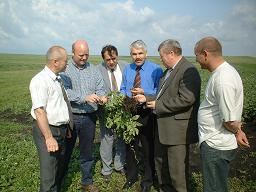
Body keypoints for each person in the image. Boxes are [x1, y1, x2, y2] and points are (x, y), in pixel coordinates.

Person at [135, 39, 201, 192]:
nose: (160, 59)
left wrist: (158, 105)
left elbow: (186, 99)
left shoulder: (188, 70)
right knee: (161, 164)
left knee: (177, 171)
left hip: (177, 132)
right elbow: (162, 96)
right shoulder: (168, 71)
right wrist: (147, 98)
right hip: (163, 129)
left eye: (162, 56)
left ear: (171, 53)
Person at [194, 36, 250, 192]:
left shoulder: (223, 79)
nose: (197, 60)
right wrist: (238, 131)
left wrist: (237, 130)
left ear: (205, 54)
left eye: (197, 55)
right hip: (216, 142)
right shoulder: (223, 72)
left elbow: (229, 121)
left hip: (215, 145)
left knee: (214, 187)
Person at [60, 40, 107, 192]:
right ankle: (58, 181)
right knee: (65, 151)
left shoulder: (93, 70)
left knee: (87, 151)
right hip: (70, 117)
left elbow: (101, 88)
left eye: (86, 54)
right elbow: (64, 92)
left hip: (89, 118)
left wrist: (102, 97)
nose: (84, 58)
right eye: (81, 55)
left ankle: (87, 182)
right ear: (72, 53)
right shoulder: (64, 70)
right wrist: (84, 97)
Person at [120, 40, 163, 192]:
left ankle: (147, 181)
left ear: (146, 53)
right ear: (131, 55)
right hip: (130, 112)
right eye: (134, 54)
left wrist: (144, 93)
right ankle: (131, 177)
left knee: (147, 148)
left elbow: (161, 93)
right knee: (129, 146)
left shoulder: (156, 70)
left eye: (140, 53)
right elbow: (123, 88)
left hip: (148, 112)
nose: (137, 57)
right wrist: (125, 97)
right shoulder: (128, 69)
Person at [29, 46, 70, 192]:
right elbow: (39, 111)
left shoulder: (57, 79)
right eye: (66, 61)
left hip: (61, 131)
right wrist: (48, 137)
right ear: (55, 61)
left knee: (58, 170)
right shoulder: (40, 81)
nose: (67, 63)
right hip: (48, 130)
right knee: (49, 176)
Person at [97, 45, 127, 182]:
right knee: (106, 139)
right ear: (103, 59)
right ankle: (106, 169)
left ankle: (119, 165)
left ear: (117, 56)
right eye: (108, 59)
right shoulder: (98, 69)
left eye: (113, 58)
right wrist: (103, 99)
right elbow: (96, 88)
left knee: (121, 137)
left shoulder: (126, 66)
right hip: (106, 111)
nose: (111, 62)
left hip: (123, 110)